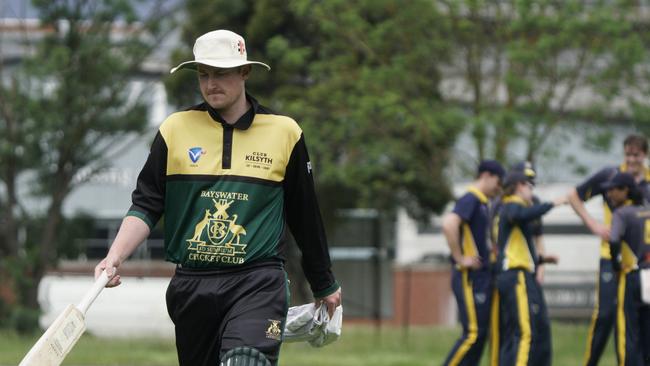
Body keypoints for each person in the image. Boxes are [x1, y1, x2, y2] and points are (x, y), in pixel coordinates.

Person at [93, 29, 341, 366]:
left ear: (245, 72)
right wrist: (115, 256)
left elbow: (305, 215)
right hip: (192, 286)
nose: (211, 83)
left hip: (257, 282)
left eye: (221, 73)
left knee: (245, 361)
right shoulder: (174, 129)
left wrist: (323, 282)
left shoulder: (285, 133)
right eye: (204, 74)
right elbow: (147, 204)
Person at [567, 134, 650, 366]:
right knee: (605, 314)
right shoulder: (612, 177)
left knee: (638, 319)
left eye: (637, 155)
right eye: (628, 154)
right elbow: (573, 195)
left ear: (645, 155)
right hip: (611, 257)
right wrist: (593, 225)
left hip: (641, 264)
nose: (632, 159)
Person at [495, 171, 565, 366]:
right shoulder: (511, 206)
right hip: (516, 275)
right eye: (529, 185)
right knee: (526, 333)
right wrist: (553, 203)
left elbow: (517, 248)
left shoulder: (513, 209)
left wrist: (541, 259)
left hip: (516, 274)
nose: (531, 190)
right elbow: (522, 214)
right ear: (519, 186)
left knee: (519, 333)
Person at [442, 159, 505, 366]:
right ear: (486, 176)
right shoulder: (470, 199)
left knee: (481, 336)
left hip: (482, 278)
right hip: (469, 278)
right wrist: (460, 258)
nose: (499, 188)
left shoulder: (483, 203)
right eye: (498, 181)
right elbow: (449, 223)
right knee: (473, 333)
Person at [487, 161, 547, 366]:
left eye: (531, 182)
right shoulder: (506, 205)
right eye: (525, 182)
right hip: (509, 271)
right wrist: (554, 203)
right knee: (518, 332)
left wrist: (541, 264)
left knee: (521, 330)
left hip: (520, 271)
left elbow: (536, 238)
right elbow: (498, 240)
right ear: (516, 183)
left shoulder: (529, 203)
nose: (529, 186)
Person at [603, 172, 650, 366]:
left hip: (632, 274)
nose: (609, 193)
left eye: (613, 189)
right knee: (648, 331)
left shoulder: (622, 213)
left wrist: (616, 263)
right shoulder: (647, 210)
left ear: (626, 190)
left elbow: (614, 239)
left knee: (628, 332)